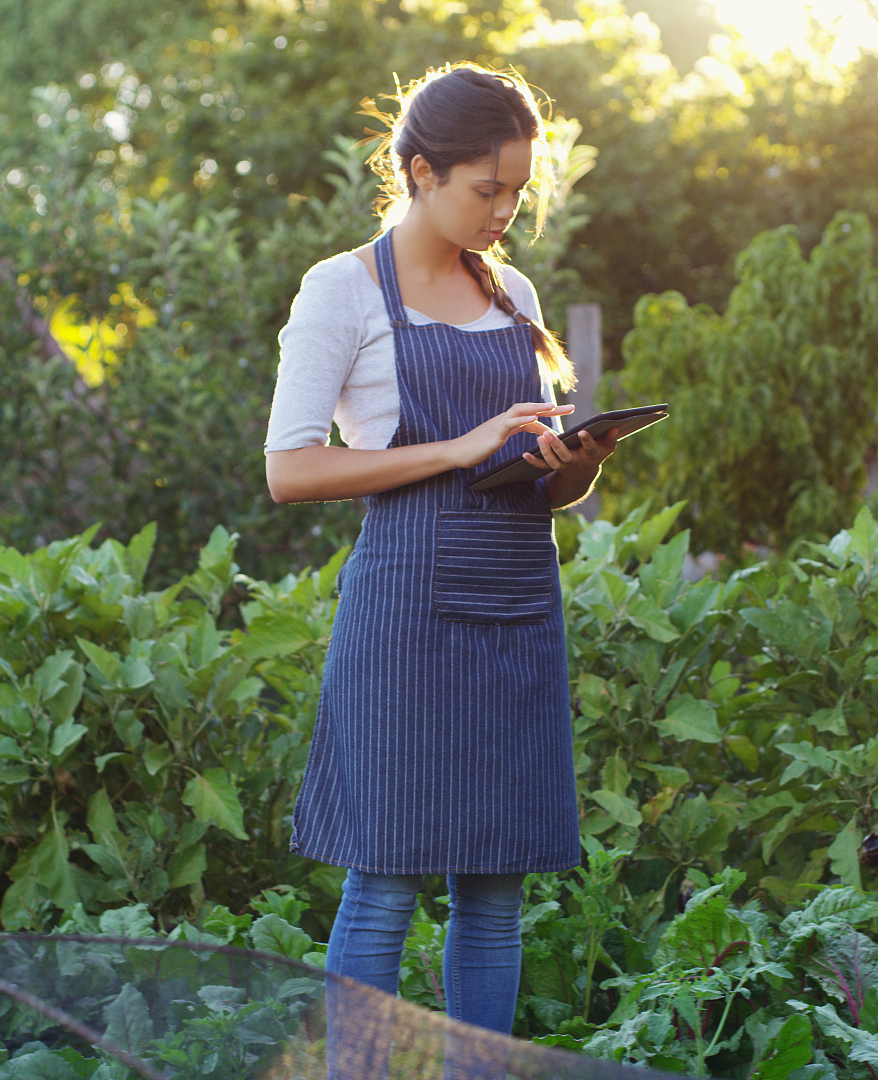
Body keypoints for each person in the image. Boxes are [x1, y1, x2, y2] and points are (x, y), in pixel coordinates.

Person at [262, 62, 616, 1043]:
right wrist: (458, 448)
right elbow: (288, 470)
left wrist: (572, 465)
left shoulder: (512, 294)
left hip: (514, 601)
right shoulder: (340, 291)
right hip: (406, 614)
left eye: (517, 190)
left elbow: (541, 492)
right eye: (485, 189)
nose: (505, 210)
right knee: (384, 884)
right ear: (419, 170)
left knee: (495, 890)